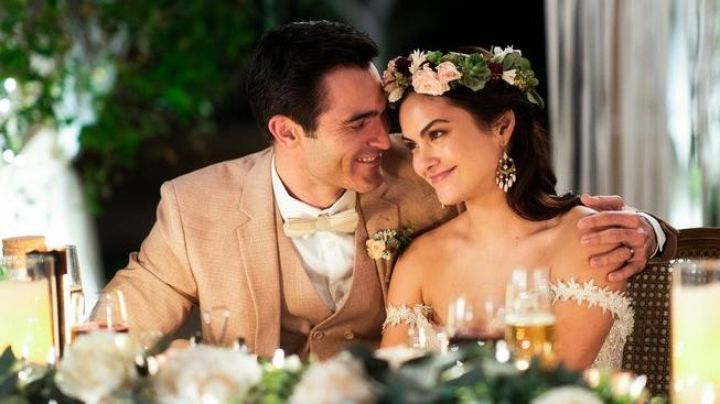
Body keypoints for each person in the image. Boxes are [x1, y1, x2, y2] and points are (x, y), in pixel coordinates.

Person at [101, 21, 673, 359]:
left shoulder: (424, 172)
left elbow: (529, 209)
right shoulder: (195, 208)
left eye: (382, 114)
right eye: (358, 124)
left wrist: (650, 230)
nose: (389, 140)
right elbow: (116, 327)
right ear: (287, 131)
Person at [378, 46, 669, 369]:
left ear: (502, 127)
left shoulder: (586, 240)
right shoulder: (419, 260)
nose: (422, 163)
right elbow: (392, 382)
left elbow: (545, 385)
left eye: (437, 134)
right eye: (413, 146)